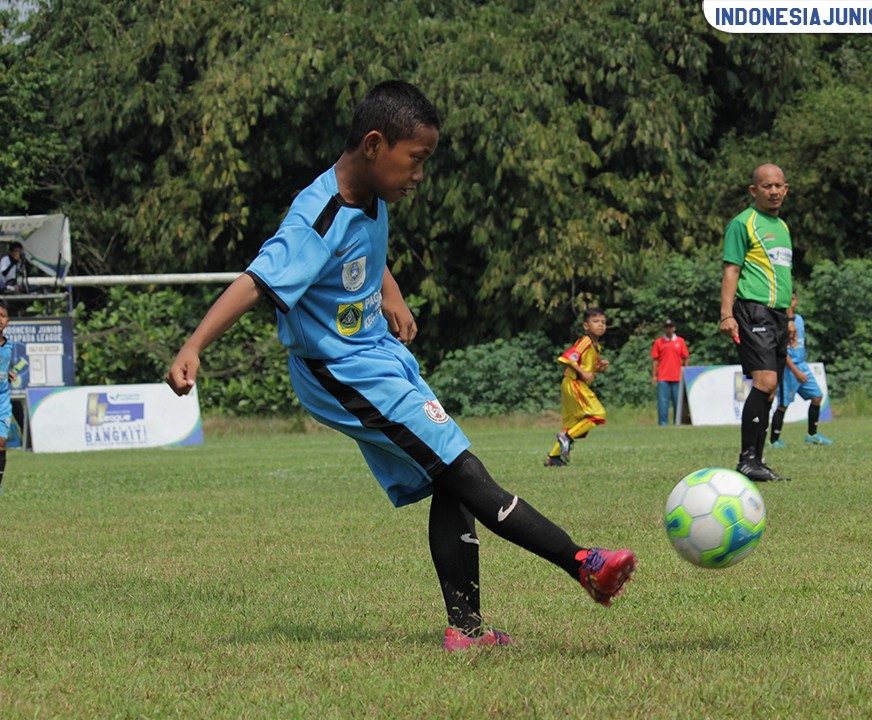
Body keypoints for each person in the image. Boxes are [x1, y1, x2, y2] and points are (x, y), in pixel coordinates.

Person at [165, 81, 637, 651]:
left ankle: (466, 632)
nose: (419, 176)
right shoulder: (318, 215)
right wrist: (193, 346)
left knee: (447, 478)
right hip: (339, 370)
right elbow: (255, 282)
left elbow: (361, 252)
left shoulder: (371, 195)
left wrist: (389, 290)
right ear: (373, 144)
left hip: (379, 357)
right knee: (461, 467)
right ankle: (582, 562)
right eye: (415, 160)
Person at [719, 163, 796, 483]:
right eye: (767, 186)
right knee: (764, 383)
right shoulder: (743, 224)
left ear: (786, 189)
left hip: (779, 315)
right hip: (753, 311)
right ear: (754, 190)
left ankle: (757, 460)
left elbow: (785, 275)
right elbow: (731, 270)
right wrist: (726, 313)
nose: (774, 191)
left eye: (779, 186)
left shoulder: (783, 227)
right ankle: (746, 460)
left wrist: (790, 318)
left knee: (770, 388)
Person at [544, 308, 609, 467]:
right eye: (596, 322)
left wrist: (599, 367)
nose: (600, 325)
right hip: (574, 383)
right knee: (598, 414)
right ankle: (566, 436)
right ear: (586, 326)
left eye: (603, 322)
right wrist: (582, 372)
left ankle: (554, 457)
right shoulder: (585, 341)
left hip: (572, 383)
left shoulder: (596, 346)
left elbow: (587, 366)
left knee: (572, 422)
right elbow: (566, 358)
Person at [769, 289, 832, 447]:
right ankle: (774, 440)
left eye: (793, 299)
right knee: (783, 404)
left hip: (802, 365)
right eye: (787, 299)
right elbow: (782, 351)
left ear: (796, 301)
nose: (790, 302)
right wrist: (796, 372)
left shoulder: (800, 320)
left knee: (817, 396)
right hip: (789, 369)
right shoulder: (780, 321)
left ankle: (812, 434)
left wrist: (801, 367)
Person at [651, 318, 689, 426]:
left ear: (674, 328)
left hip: (678, 377)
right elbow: (655, 360)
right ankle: (663, 424)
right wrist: (654, 376)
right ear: (663, 329)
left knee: (678, 403)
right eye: (666, 327)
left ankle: (678, 423)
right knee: (663, 403)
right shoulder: (659, 342)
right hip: (663, 376)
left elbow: (685, 358)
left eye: (670, 327)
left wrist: (686, 372)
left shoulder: (680, 341)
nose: (668, 329)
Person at [0, 300, 13, 493]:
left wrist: (8, 373)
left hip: (2, 400)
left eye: (1, 316)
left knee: (1, 442)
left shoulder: (8, 346)